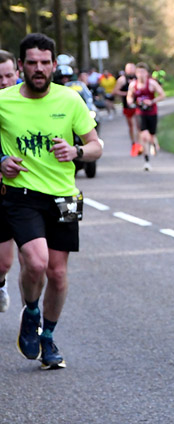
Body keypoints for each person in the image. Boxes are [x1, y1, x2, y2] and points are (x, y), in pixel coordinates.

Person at [0, 33, 102, 369]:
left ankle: (48, 336)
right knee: (37, 261)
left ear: (55, 65)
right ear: (21, 66)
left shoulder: (70, 100)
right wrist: (1, 161)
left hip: (65, 196)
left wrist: (77, 151)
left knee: (57, 274)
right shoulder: (4, 101)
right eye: (32, 63)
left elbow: (95, 145)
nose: (39, 69)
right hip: (22, 194)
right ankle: (31, 312)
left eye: (45, 63)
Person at [0, 50, 19, 314]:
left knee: (6, 262)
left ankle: (1, 282)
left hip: (18, 189)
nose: (4, 82)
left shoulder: (28, 99)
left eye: (8, 76)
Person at [126, 62, 165, 171]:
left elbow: (162, 95)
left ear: (147, 73)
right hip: (140, 113)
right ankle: (147, 161)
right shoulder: (133, 85)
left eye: (143, 72)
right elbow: (129, 97)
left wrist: (152, 101)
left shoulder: (152, 83)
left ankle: (154, 144)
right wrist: (131, 102)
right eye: (138, 72)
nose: (141, 74)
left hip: (152, 112)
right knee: (144, 136)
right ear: (136, 73)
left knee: (152, 135)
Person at [113, 63, 143, 156]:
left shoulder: (138, 78)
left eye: (132, 68)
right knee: (131, 126)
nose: (130, 70)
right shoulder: (122, 79)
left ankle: (139, 145)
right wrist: (127, 94)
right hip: (127, 106)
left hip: (138, 105)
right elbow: (115, 91)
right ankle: (133, 143)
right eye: (129, 68)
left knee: (139, 126)